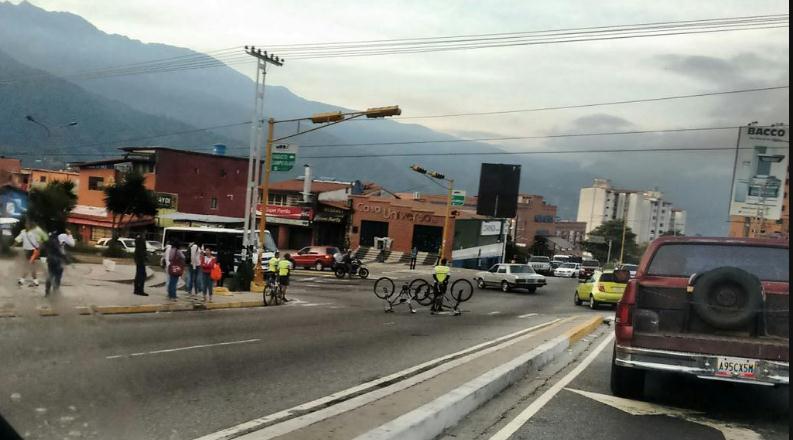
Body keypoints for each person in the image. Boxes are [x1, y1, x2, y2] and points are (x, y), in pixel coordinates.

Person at [15, 222, 46, 287]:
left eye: (28, 224)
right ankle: (35, 281)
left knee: (28, 265)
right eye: (26, 224)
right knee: (31, 266)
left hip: (33, 251)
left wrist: (38, 250)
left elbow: (40, 241)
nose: (27, 225)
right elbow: (18, 239)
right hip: (26, 251)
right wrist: (13, 245)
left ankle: (22, 280)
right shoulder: (23, 232)